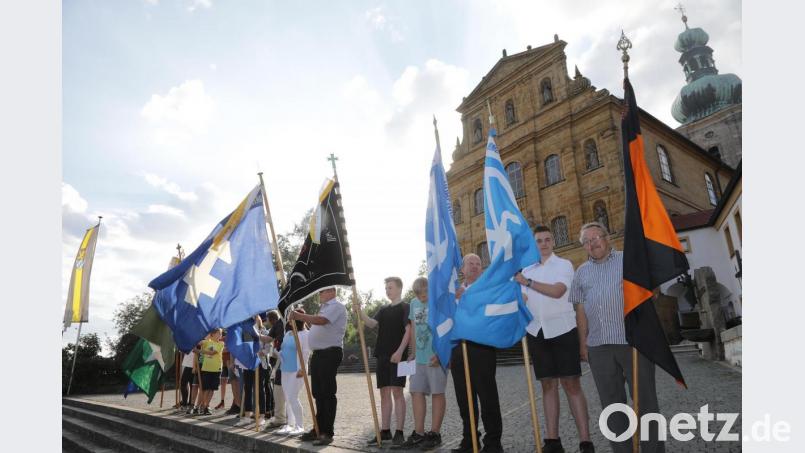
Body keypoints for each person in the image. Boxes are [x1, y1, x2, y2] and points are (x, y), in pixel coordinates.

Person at [569, 222, 663, 453]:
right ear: (584, 247)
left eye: (596, 237)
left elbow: (654, 291)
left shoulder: (628, 261)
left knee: (645, 401)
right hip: (599, 347)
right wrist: (583, 344)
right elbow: (580, 311)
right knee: (611, 405)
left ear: (607, 237)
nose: (593, 243)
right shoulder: (581, 272)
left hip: (632, 342)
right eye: (587, 241)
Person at [515, 225, 594, 453]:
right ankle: (552, 440)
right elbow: (523, 300)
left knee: (571, 385)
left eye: (547, 239)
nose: (544, 244)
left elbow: (558, 291)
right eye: (539, 240)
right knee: (547, 386)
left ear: (553, 242)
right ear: (534, 244)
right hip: (537, 332)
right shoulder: (527, 269)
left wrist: (526, 282)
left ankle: (585, 441)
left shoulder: (564, 265)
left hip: (563, 330)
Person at [451, 254, 504, 453]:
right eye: (470, 264)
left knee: (487, 396)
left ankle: (493, 443)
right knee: (464, 399)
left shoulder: (486, 289)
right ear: (462, 269)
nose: (474, 266)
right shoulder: (454, 292)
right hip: (458, 348)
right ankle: (470, 440)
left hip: (481, 347)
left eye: (478, 264)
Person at [358, 277, 411, 447]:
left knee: (397, 392)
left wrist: (400, 351)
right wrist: (360, 312)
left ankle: (400, 432)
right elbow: (372, 324)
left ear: (399, 289)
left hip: (398, 356)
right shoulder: (383, 309)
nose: (387, 290)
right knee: (384, 393)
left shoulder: (405, 307)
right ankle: (385, 431)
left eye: (390, 287)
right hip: (382, 355)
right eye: (386, 288)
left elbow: (408, 331)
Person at [395, 277, 447, 450]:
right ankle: (419, 433)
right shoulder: (413, 303)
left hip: (435, 357)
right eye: (419, 294)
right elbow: (414, 328)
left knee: (437, 393)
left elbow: (445, 327)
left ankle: (435, 433)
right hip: (420, 358)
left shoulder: (438, 302)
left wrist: (440, 353)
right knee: (416, 391)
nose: (422, 296)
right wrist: (413, 352)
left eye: (425, 293)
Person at [291, 287, 347, 446]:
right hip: (319, 354)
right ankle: (318, 427)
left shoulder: (337, 306)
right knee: (318, 392)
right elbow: (317, 324)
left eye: (322, 291)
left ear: (332, 292)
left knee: (327, 392)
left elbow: (321, 321)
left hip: (330, 353)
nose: (319, 294)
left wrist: (300, 316)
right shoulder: (324, 308)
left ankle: (327, 432)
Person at [276, 309, 311, 436]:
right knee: (287, 397)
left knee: (293, 397)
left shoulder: (305, 334)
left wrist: (302, 368)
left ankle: (299, 426)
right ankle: (289, 424)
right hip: (285, 369)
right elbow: (284, 350)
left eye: (291, 317)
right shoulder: (288, 333)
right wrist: (276, 353)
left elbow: (306, 352)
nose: (289, 320)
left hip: (297, 370)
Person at [198, 328, 224, 415]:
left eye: (221, 334)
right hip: (206, 368)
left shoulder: (221, 344)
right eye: (218, 333)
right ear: (212, 334)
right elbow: (197, 343)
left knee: (212, 389)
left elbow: (212, 353)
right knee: (206, 389)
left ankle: (206, 405)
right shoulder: (206, 342)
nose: (220, 335)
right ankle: (203, 406)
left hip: (216, 369)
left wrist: (198, 351)